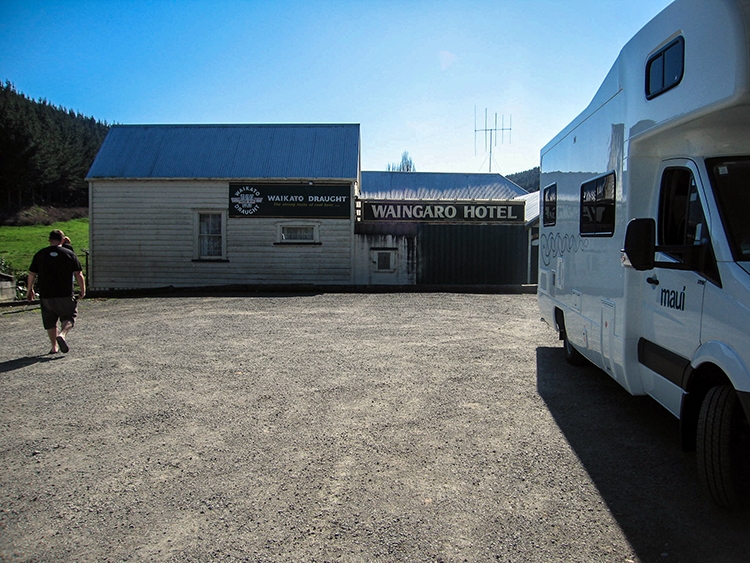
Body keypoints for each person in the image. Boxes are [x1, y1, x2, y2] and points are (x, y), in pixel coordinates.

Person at [27, 229, 86, 354]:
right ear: (63, 240)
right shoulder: (69, 254)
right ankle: (63, 334)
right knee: (69, 317)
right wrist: (82, 290)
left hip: (45, 294)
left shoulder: (40, 254)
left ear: (49, 240)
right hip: (64, 293)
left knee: (50, 321)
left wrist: (30, 289)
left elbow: (32, 274)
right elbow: (78, 274)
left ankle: (54, 347)